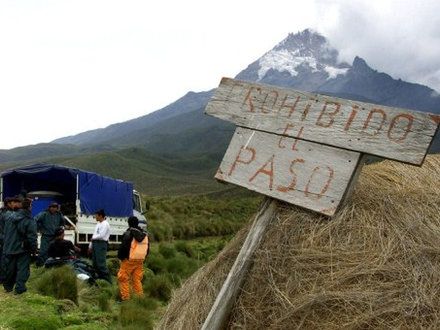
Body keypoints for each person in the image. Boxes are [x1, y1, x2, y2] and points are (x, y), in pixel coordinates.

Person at [2, 198, 37, 294]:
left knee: (10, 269)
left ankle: (8, 287)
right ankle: (19, 289)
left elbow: (5, 232)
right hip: (22, 248)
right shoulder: (29, 220)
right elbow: (32, 236)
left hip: (9, 247)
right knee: (23, 269)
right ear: (29, 207)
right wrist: (33, 249)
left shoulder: (9, 217)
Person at [117, 216, 149, 301]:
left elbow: (123, 247)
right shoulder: (144, 234)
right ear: (137, 223)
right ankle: (139, 299)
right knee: (136, 280)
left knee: (123, 278)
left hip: (129, 260)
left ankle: (126, 299)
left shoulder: (128, 233)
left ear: (129, 223)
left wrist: (120, 257)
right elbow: (148, 248)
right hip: (140, 260)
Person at [34, 202, 65, 267]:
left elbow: (63, 223)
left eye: (55, 207)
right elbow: (35, 220)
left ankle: (50, 265)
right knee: (43, 251)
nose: (54, 209)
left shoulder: (59, 215)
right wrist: (39, 228)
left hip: (55, 237)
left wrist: (60, 230)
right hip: (46, 236)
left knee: (53, 252)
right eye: (52, 207)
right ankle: (40, 265)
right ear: (49, 208)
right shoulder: (44, 214)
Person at [89, 209, 111, 283]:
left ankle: (108, 281)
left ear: (100, 216)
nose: (95, 217)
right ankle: (99, 280)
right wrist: (90, 246)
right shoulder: (98, 224)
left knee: (101, 263)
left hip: (101, 244)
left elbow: (101, 235)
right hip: (95, 243)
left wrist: (93, 238)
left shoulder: (105, 224)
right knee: (95, 263)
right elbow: (94, 234)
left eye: (96, 215)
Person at [0, 197, 15, 283]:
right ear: (8, 204)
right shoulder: (6, 214)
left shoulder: (4, 212)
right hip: (5, 238)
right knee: (5, 258)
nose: (14, 204)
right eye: (13, 202)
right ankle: (3, 277)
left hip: (4, 237)